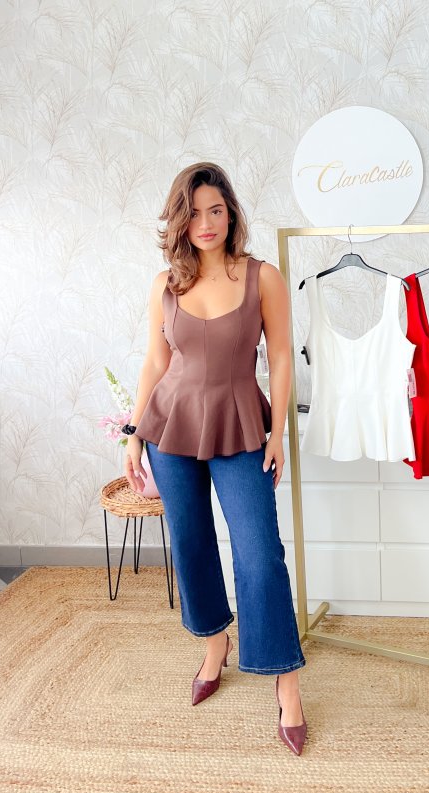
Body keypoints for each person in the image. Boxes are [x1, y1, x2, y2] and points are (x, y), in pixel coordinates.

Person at [122, 162, 307, 756]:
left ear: (232, 215)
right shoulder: (165, 284)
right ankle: (213, 644)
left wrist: (277, 433)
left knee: (259, 554)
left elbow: (281, 356)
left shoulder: (262, 277)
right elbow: (156, 362)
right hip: (170, 428)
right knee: (192, 543)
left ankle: (286, 681)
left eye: (216, 210)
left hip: (241, 423)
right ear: (180, 221)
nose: (206, 223)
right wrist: (133, 433)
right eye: (194, 212)